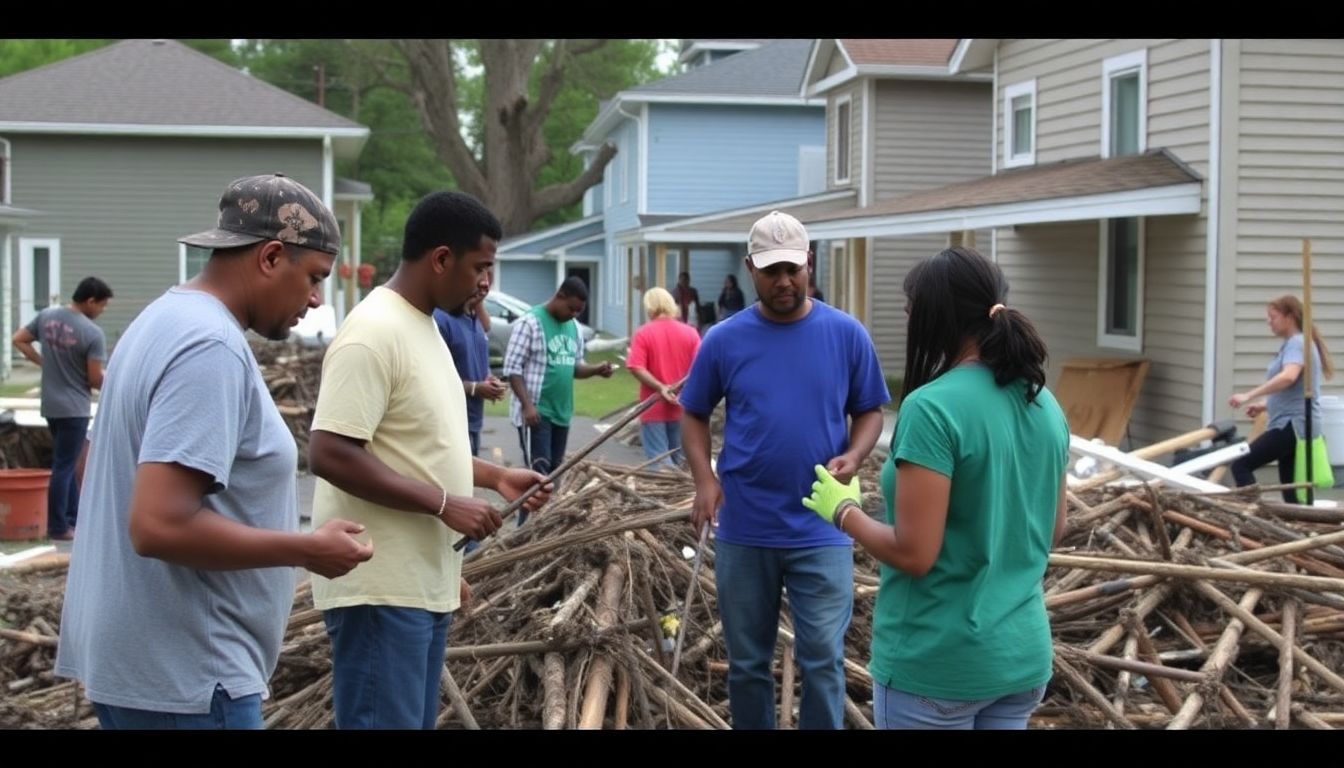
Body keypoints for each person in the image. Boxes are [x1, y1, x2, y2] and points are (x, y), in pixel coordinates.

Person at [54, 173, 374, 729]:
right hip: (190, 677)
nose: (317, 298)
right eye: (315, 277)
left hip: (146, 666)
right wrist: (305, 549)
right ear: (272, 257)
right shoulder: (210, 348)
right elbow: (159, 525)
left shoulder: (160, 320)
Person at [307, 190, 551, 730]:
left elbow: (414, 444)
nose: (488, 282)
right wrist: (444, 503)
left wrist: (493, 475)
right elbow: (329, 451)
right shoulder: (373, 332)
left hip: (420, 581)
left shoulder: (426, 327)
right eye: (481, 267)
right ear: (441, 259)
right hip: (379, 585)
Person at [802, 245, 1069, 730]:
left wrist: (844, 513)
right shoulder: (1043, 402)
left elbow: (915, 553)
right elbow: (1052, 531)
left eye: (910, 311)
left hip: (937, 665)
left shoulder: (933, 408)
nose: (908, 321)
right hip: (1019, 658)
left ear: (935, 317)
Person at [680, 209, 889, 729]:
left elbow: (869, 410)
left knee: (823, 659)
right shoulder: (724, 340)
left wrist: (857, 455)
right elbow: (693, 412)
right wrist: (705, 480)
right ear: (750, 268)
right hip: (746, 527)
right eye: (772, 270)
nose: (784, 281)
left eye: (793, 268)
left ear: (809, 263)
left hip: (824, 522)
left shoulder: (846, 334)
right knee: (748, 663)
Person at [502, 276, 613, 524]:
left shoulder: (573, 328)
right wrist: (527, 405)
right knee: (537, 477)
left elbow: (574, 366)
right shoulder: (530, 322)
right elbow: (512, 369)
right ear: (559, 296)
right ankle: (525, 532)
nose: (573, 314)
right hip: (536, 413)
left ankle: (544, 527)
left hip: (562, 412)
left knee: (554, 475)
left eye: (578, 311)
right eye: (571, 308)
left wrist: (596, 369)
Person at [12, 276, 113, 541]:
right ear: (90, 300)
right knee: (65, 466)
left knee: (63, 462)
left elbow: (19, 339)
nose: (101, 311)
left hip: (51, 405)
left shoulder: (47, 316)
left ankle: (72, 519)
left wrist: (43, 362)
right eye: (101, 305)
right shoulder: (91, 333)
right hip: (74, 406)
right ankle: (59, 527)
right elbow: (94, 379)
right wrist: (116, 384)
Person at [1228, 294, 1334, 502]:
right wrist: (1265, 406)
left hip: (1291, 425)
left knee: (1241, 465)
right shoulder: (1296, 343)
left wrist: (1248, 395)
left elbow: (1288, 376)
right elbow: (1295, 389)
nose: (1269, 322)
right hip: (1294, 424)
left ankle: (1257, 514)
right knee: (1291, 491)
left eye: (1273, 316)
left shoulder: (1297, 342)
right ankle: (1295, 527)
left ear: (1289, 317)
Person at [627, 286, 701, 468]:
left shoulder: (643, 333)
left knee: (659, 463)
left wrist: (661, 387)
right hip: (683, 406)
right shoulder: (690, 333)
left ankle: (664, 496)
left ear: (649, 307)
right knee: (680, 460)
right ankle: (682, 495)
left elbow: (636, 366)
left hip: (653, 406)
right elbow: (700, 368)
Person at [434, 283, 506, 458]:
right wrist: (475, 388)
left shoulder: (475, 319)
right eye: (477, 272)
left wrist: (489, 379)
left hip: (473, 421)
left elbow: (478, 361)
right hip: (449, 426)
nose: (484, 283)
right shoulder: (441, 320)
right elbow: (433, 380)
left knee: (468, 483)